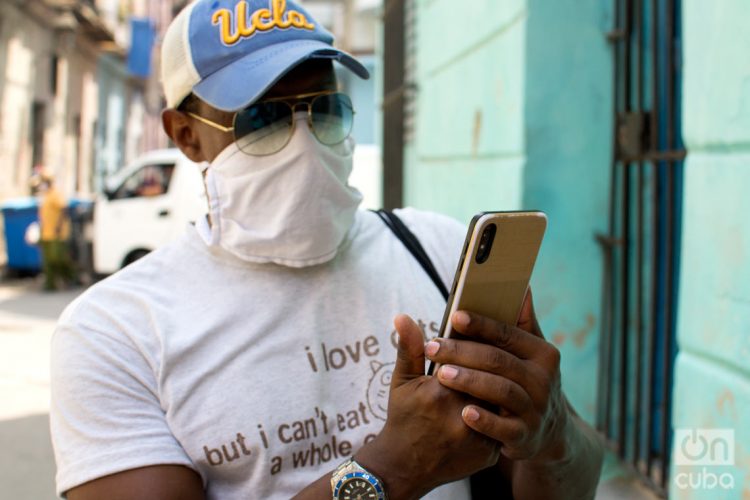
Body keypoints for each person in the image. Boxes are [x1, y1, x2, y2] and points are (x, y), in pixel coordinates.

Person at [49, 1, 603, 499]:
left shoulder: (434, 249)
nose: (306, 142)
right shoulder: (116, 334)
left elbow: (569, 478)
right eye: (263, 118)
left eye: (327, 109)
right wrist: (390, 471)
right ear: (186, 134)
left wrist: (550, 434)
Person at [36, 170, 75, 290]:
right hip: (46, 233)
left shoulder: (55, 194)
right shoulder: (45, 195)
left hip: (57, 233)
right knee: (47, 261)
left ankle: (71, 278)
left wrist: (58, 226)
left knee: (58, 258)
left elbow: (64, 209)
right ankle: (50, 285)